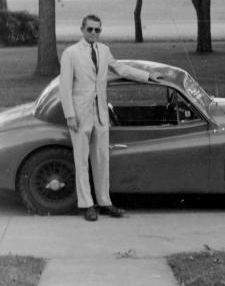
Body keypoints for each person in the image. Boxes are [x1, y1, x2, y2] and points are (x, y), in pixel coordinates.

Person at [59, 14, 162, 221]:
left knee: (102, 160)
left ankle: (104, 202)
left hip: (101, 115)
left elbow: (120, 69)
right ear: (82, 29)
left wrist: (148, 76)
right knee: (81, 161)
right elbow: (64, 87)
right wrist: (70, 114)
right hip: (80, 114)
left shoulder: (104, 50)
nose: (93, 33)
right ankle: (87, 205)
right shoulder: (71, 53)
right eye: (90, 29)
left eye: (97, 30)